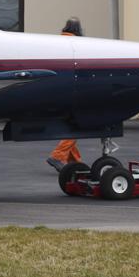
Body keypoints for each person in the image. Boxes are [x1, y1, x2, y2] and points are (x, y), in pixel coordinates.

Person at [47, 17, 83, 172]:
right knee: (76, 126)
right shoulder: (78, 45)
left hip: (55, 90)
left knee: (71, 126)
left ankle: (76, 163)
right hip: (71, 91)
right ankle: (58, 156)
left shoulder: (57, 42)